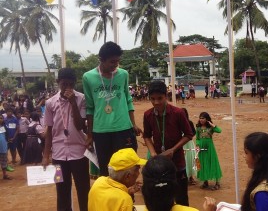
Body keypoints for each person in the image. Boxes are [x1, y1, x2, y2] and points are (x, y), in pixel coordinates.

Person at [82, 41, 142, 176]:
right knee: (106, 169)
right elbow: (90, 108)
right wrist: (90, 135)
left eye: (117, 61)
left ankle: (127, 197)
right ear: (101, 60)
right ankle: (110, 196)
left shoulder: (123, 75)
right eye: (112, 62)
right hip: (101, 131)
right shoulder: (88, 77)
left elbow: (128, 100)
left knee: (127, 168)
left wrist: (133, 124)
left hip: (124, 129)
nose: (115, 65)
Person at [42, 68, 90, 211]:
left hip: (79, 153)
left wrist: (73, 103)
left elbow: (80, 125)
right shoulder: (50, 103)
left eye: (71, 84)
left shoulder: (81, 98)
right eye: (64, 84)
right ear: (58, 83)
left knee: (83, 189)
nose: (68, 88)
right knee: (61, 191)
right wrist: (46, 156)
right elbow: (49, 131)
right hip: (58, 155)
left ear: (75, 83)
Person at [143, 80, 194, 206]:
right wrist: (153, 153)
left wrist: (173, 149)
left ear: (166, 96)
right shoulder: (148, 115)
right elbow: (147, 136)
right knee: (160, 197)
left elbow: (189, 134)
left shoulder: (178, 113)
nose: (156, 102)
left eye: (160, 98)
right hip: (158, 164)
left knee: (181, 197)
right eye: (152, 99)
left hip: (177, 161)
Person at [196, 112, 222, 190]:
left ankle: (217, 183)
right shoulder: (198, 128)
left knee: (212, 162)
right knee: (203, 163)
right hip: (201, 148)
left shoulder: (210, 128)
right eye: (200, 118)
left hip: (210, 148)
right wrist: (197, 145)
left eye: (203, 118)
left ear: (207, 119)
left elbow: (219, 130)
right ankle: (205, 182)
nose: (201, 120)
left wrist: (213, 125)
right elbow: (197, 138)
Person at [182, 108, 197, 185]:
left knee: (190, 159)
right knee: (183, 160)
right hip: (181, 144)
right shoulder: (177, 123)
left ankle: (191, 177)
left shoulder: (189, 122)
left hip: (189, 143)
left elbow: (194, 132)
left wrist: (188, 137)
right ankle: (184, 177)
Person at [0, 115, 12, 180]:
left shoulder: (4, 126)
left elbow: (7, 136)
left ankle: (4, 175)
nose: (0, 119)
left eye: (1, 118)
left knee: (4, 161)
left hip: (3, 146)